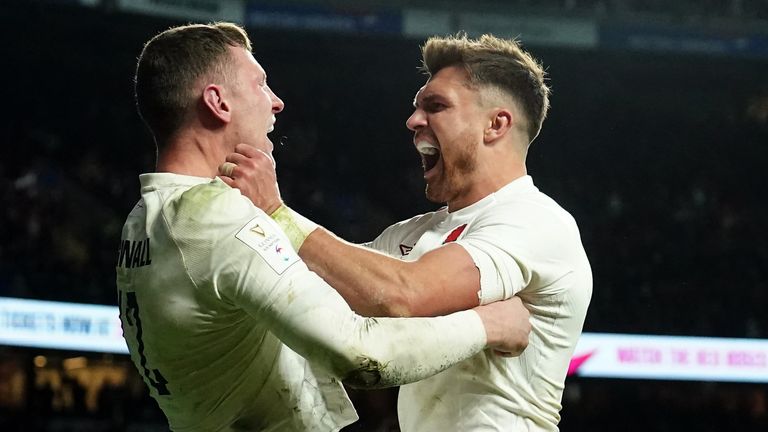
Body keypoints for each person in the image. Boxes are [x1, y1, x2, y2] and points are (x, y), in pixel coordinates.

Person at [116, 23, 534, 432]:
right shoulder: (217, 218)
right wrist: (488, 324)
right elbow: (359, 353)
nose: (276, 102)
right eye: (260, 85)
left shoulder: (142, 220)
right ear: (218, 103)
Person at [221, 33, 592, 431]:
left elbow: (403, 294)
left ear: (495, 124)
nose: (413, 120)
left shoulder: (536, 221)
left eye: (436, 106)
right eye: (417, 107)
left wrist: (276, 212)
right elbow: (320, 285)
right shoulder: (414, 233)